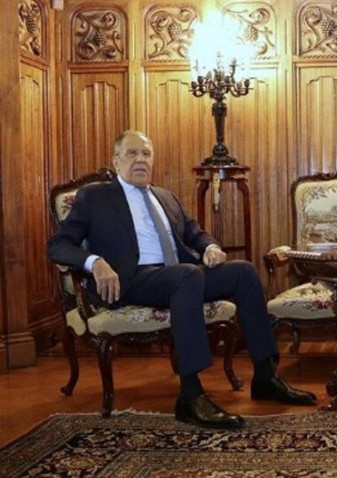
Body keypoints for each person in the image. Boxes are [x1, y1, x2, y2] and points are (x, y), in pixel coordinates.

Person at [48, 130, 317, 430]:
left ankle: (266, 377)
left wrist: (210, 247)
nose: (140, 160)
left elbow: (194, 233)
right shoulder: (95, 196)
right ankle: (191, 396)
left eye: (146, 154)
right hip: (132, 280)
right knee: (187, 275)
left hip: (179, 277)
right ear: (116, 161)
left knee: (244, 272)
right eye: (132, 153)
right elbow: (58, 245)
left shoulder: (165, 197)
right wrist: (95, 262)